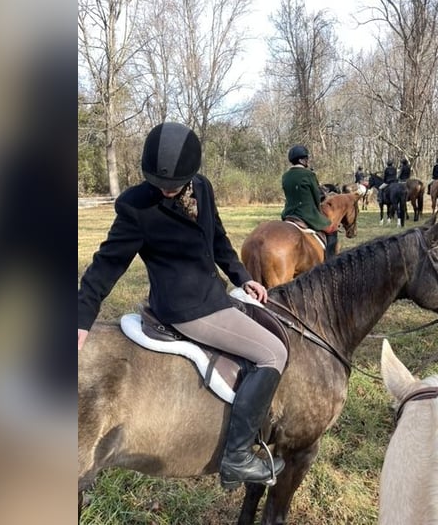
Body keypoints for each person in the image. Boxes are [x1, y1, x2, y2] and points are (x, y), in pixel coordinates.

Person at [77, 122, 288, 487]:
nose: (165, 190)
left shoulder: (203, 188)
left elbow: (219, 239)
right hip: (186, 310)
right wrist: (80, 319)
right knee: (273, 353)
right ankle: (237, 456)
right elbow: (105, 265)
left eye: (173, 184)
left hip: (216, 293)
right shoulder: (136, 206)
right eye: (158, 183)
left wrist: (242, 276)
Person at [281, 145, 339, 259]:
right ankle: (330, 261)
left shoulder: (285, 176)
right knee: (333, 229)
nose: (308, 160)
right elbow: (316, 196)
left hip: (288, 214)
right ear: (302, 160)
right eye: (306, 158)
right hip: (306, 214)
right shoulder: (309, 174)